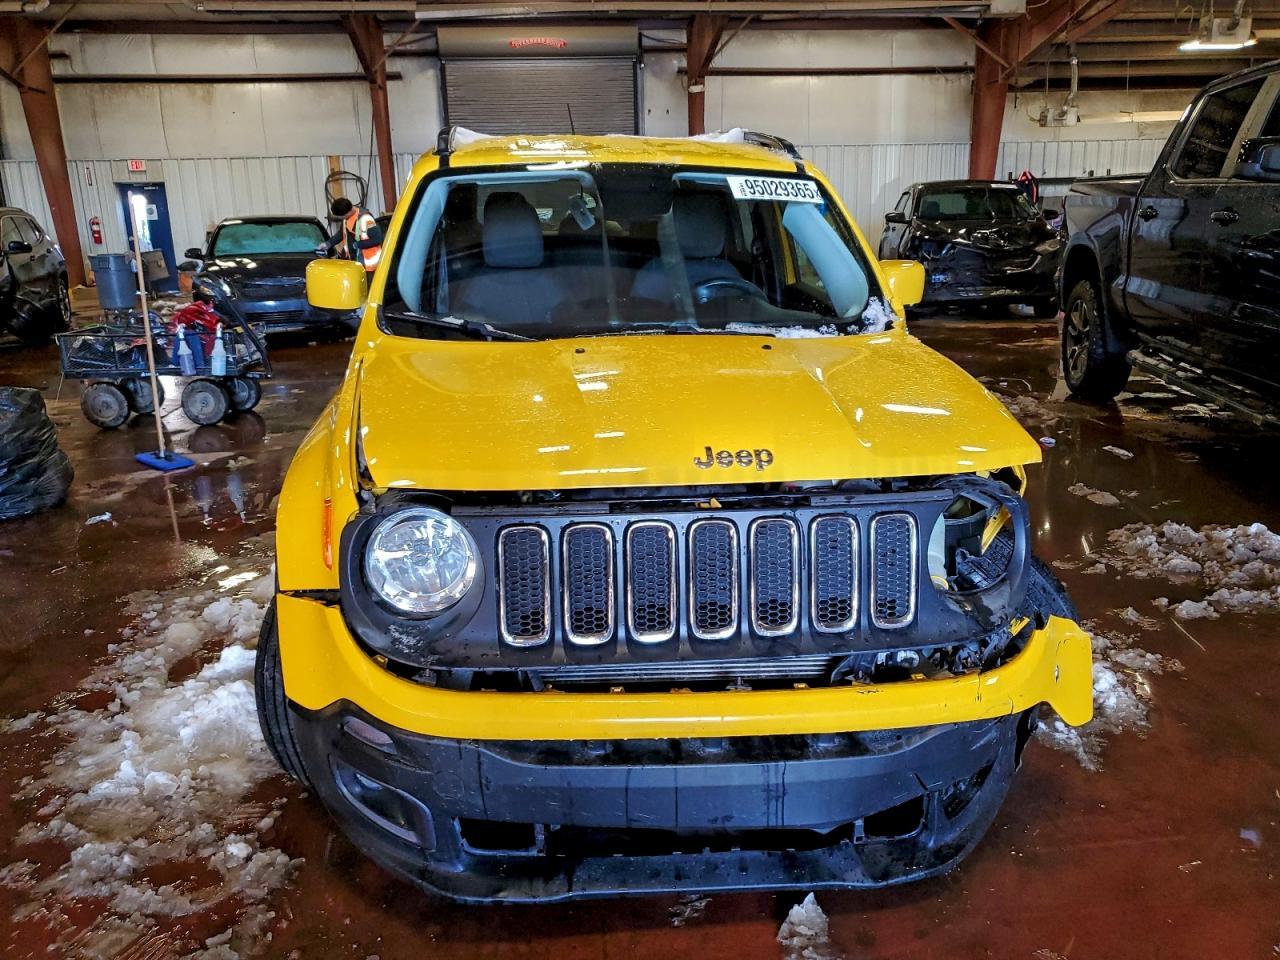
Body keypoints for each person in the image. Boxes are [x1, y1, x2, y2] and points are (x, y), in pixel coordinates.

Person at [318, 197, 383, 276]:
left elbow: (377, 239)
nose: (341, 218)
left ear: (347, 212)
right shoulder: (347, 218)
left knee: (369, 288)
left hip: (370, 266)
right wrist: (328, 244)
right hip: (356, 263)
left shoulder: (366, 218)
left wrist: (357, 245)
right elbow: (341, 234)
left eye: (341, 216)